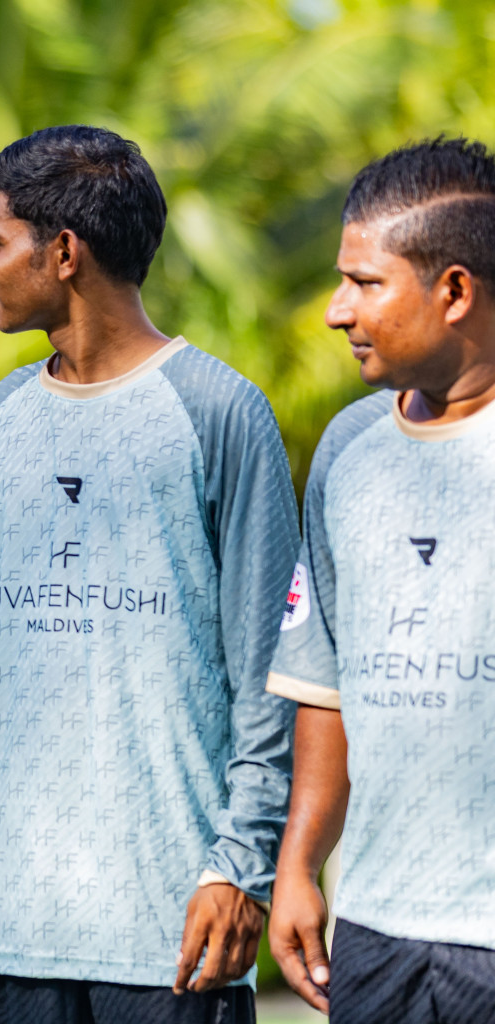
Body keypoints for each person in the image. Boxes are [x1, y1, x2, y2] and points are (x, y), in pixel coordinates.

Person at [0, 126, 298, 1024]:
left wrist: (241, 865)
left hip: (168, 936)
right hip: (4, 932)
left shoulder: (219, 411)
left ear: (64, 252)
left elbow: (269, 678)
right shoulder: (0, 419)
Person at [267, 138, 495, 1024]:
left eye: (365, 283)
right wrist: (298, 865)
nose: (335, 311)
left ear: (455, 291)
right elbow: (325, 683)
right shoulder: (348, 450)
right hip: (375, 930)